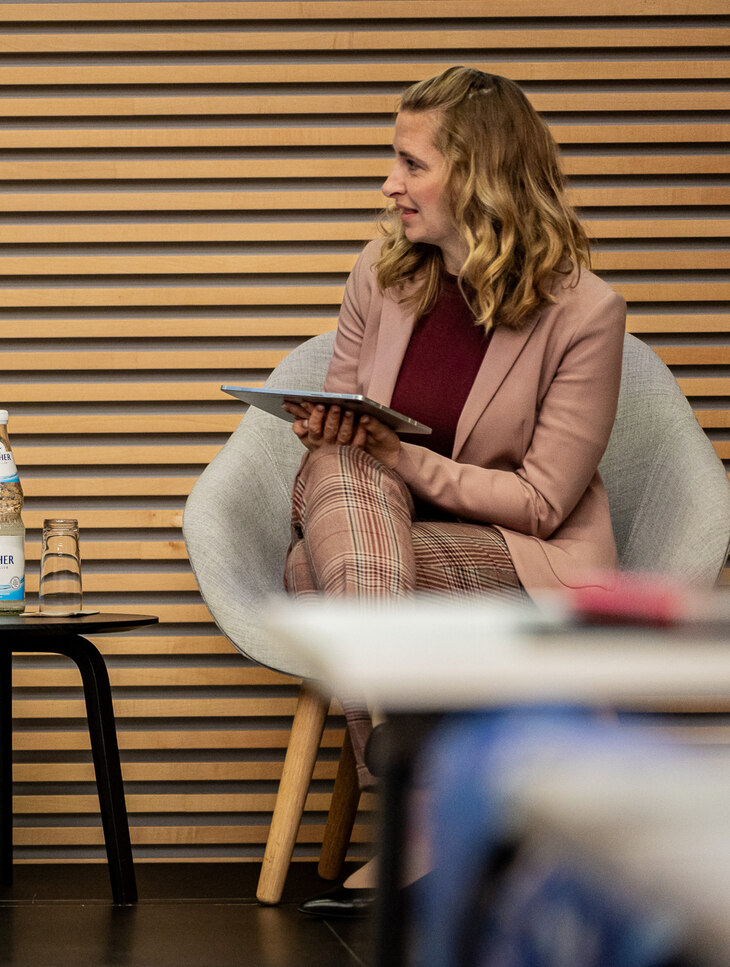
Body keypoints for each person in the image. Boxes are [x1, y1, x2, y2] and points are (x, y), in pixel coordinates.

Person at [280, 67, 626, 917]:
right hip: (368, 524)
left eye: (411, 163)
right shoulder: (380, 273)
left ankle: (410, 799)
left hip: (512, 552)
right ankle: (429, 814)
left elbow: (544, 499)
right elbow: (348, 424)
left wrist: (401, 458)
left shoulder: (585, 312)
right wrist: (334, 431)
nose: (390, 183)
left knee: (309, 574)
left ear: (478, 174)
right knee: (337, 468)